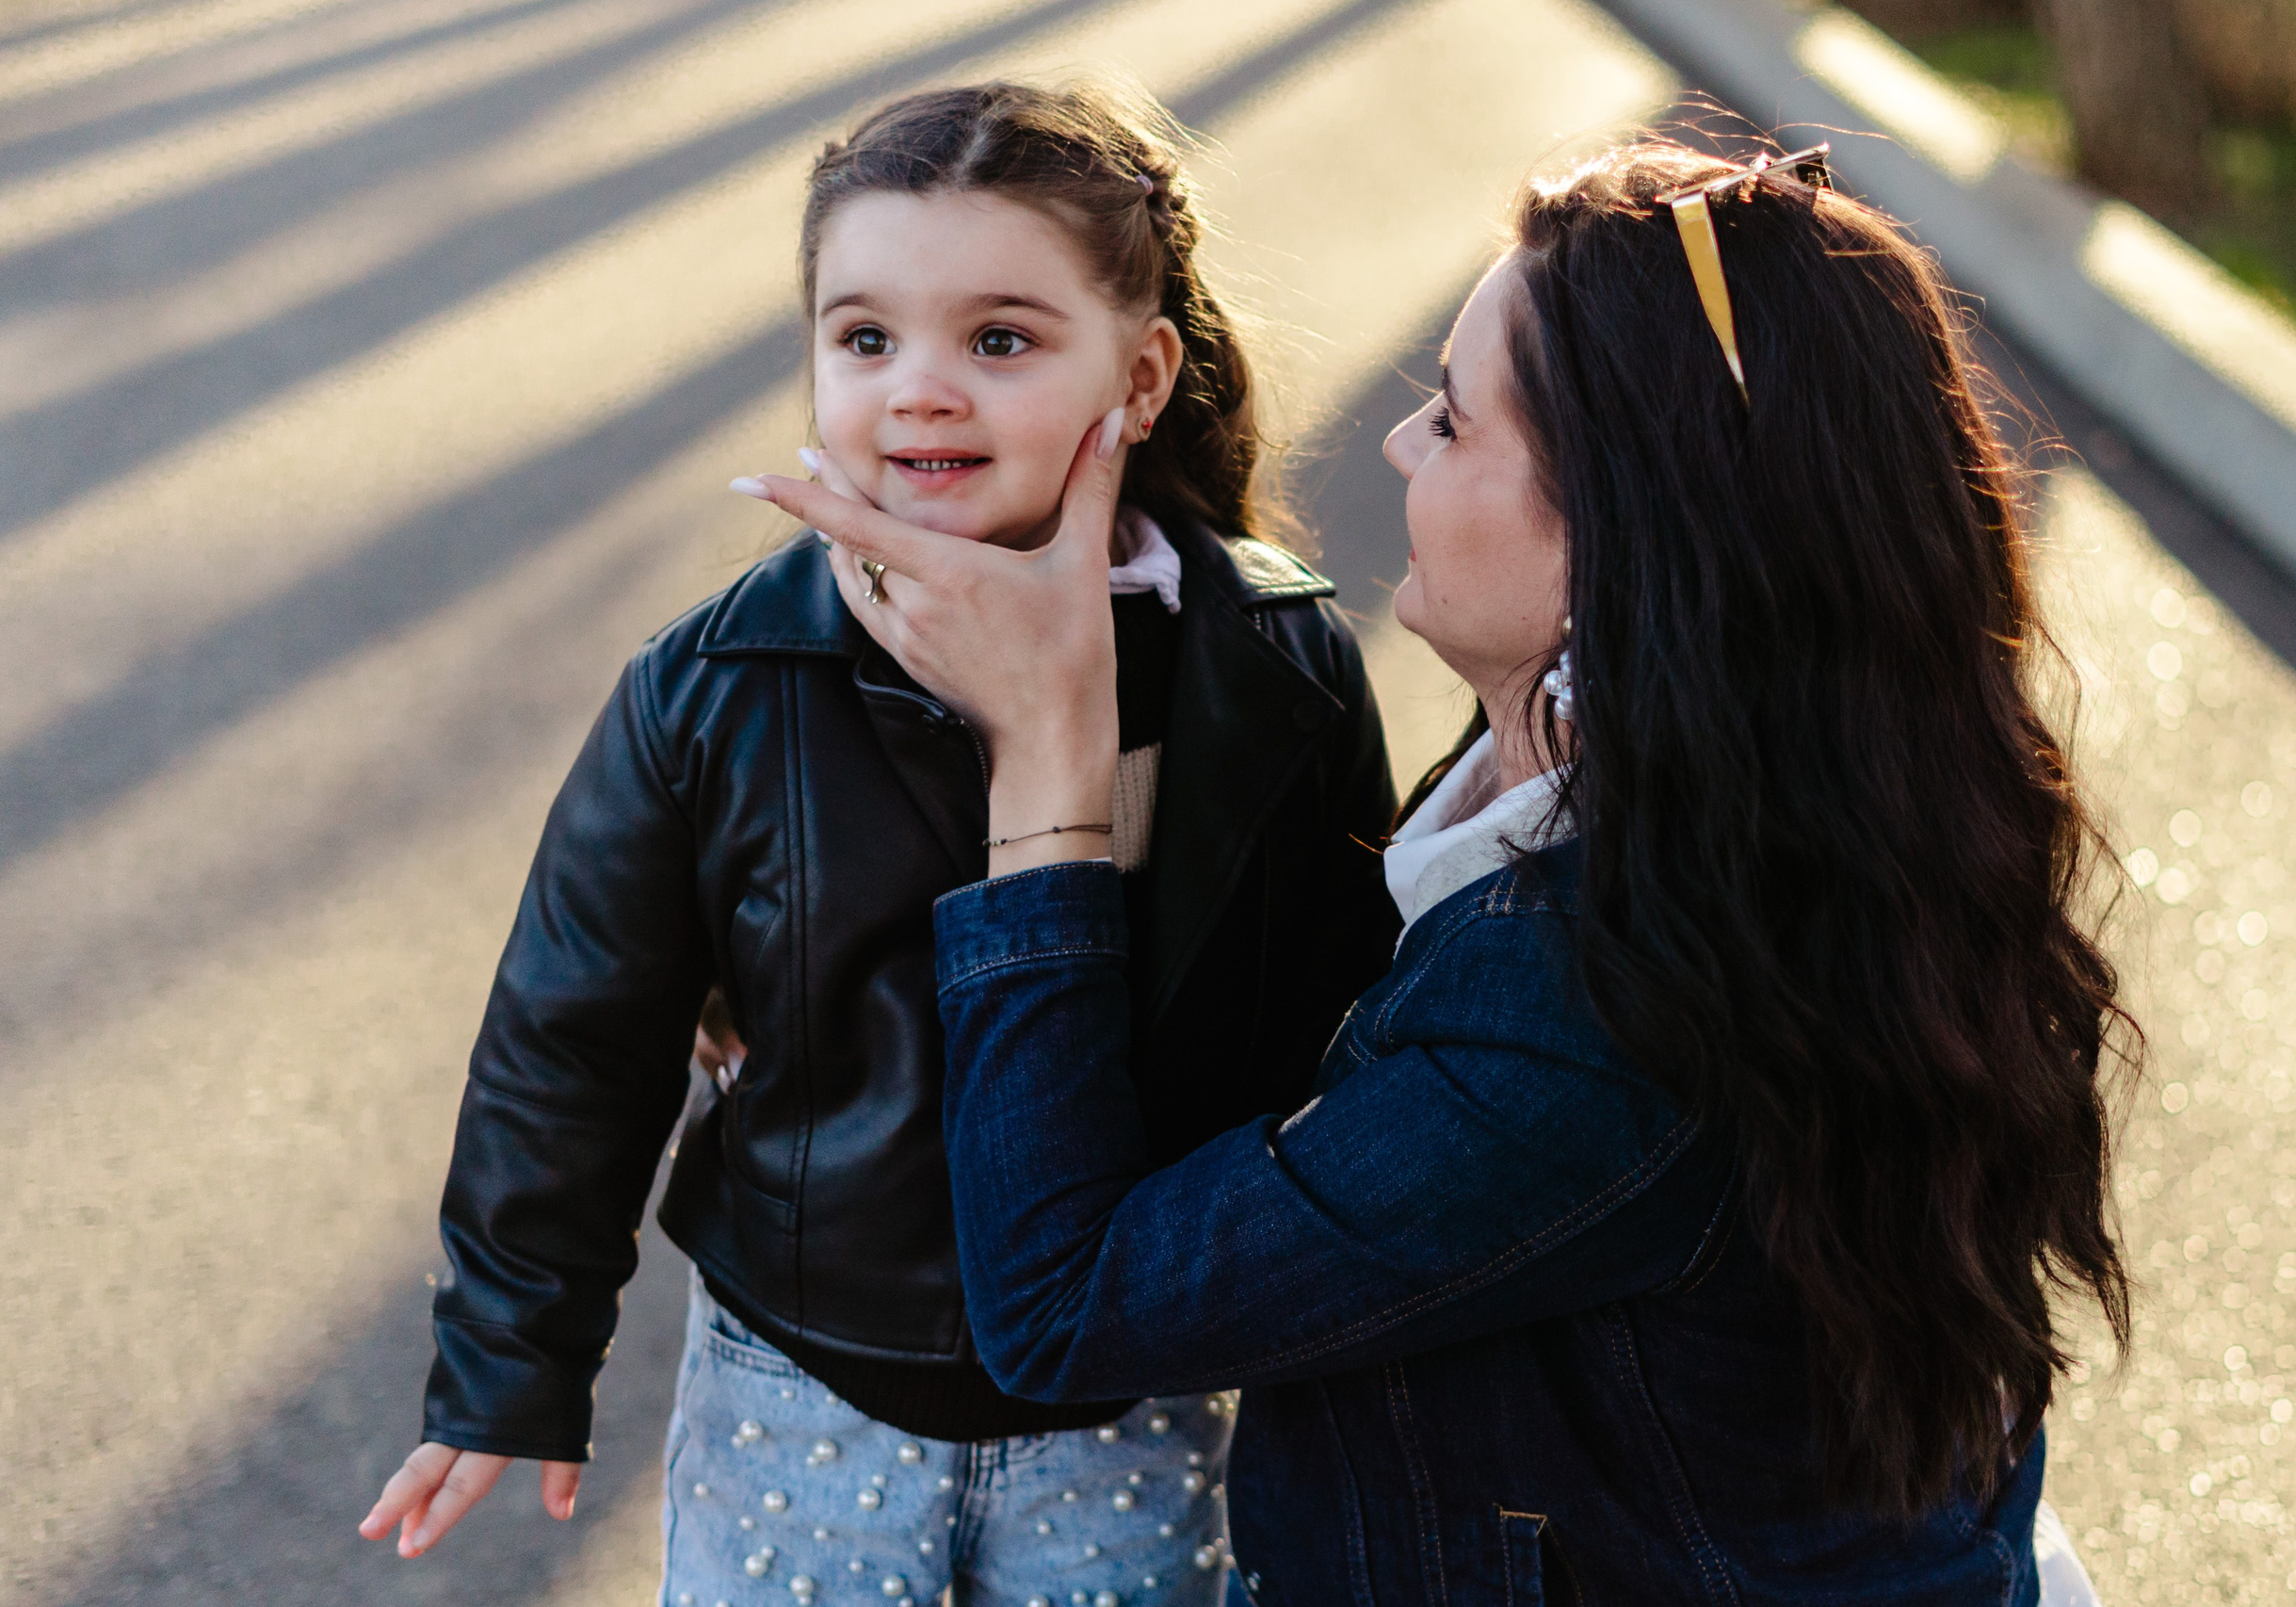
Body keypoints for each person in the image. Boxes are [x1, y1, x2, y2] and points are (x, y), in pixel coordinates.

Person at [746, 140, 2137, 1603]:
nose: (1404, 444)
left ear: (1625, 542)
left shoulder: (1599, 1007)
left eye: (1459, 423)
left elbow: (1062, 1303)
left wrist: (1045, 762)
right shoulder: (1777, 809)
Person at [354, 80, 1399, 1606]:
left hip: (1129, 1392)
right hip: (805, 1377)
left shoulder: (1275, 665)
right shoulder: (719, 684)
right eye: (865, 338)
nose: (919, 389)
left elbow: (1342, 1013)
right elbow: (572, 1039)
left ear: (1145, 371)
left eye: (999, 339)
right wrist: (514, 1355)